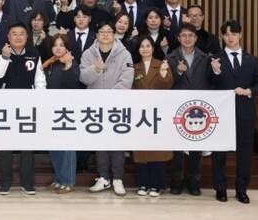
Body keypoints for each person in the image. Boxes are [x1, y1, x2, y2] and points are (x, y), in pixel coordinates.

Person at [210, 20, 258, 204]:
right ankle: (220, 189)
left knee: (244, 152)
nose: (230, 37)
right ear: (222, 36)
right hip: (221, 113)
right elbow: (209, 84)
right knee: (219, 152)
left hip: (245, 113)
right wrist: (216, 72)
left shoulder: (252, 60)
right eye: (226, 34)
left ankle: (242, 189)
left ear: (240, 35)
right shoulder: (216, 59)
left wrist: (249, 91)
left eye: (233, 34)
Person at [0, 23, 46, 195]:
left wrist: (39, 101)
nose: (18, 37)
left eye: (22, 34)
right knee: (5, 146)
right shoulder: (0, 53)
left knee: (27, 146)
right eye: (14, 34)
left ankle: (27, 183)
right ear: (8, 37)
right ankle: (5, 182)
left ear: (27, 37)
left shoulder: (34, 55)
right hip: (5, 106)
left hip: (28, 107)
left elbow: (39, 81)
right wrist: (5, 57)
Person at [80, 21, 134, 196]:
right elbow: (83, 78)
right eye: (101, 31)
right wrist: (95, 69)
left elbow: (127, 78)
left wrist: (111, 97)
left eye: (109, 31)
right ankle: (103, 177)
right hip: (96, 106)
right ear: (96, 35)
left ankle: (117, 178)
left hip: (117, 105)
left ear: (114, 34)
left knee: (117, 142)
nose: (105, 34)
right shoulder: (88, 53)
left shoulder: (124, 54)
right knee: (100, 142)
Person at [166, 22, 212, 196]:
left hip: (197, 108)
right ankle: (177, 181)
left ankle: (193, 181)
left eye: (190, 35)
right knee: (177, 147)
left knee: (195, 145)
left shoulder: (205, 58)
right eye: (183, 35)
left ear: (196, 38)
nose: (187, 38)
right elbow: (166, 83)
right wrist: (178, 72)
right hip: (178, 107)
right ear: (178, 38)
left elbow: (211, 82)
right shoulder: (170, 58)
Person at [132, 36, 174, 197]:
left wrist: (163, 74)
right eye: (142, 46)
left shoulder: (162, 64)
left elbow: (168, 85)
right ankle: (143, 184)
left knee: (157, 151)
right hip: (140, 114)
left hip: (158, 114)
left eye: (148, 46)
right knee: (141, 151)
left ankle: (157, 185)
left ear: (153, 48)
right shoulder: (134, 67)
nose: (145, 49)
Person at [43, 34, 79, 193]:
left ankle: (68, 181)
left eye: (61, 45)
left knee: (67, 147)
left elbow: (74, 83)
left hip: (67, 112)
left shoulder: (71, 62)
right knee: (54, 147)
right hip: (51, 111)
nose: (58, 48)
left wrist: (68, 64)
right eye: (55, 45)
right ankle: (58, 178)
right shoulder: (50, 63)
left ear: (67, 48)